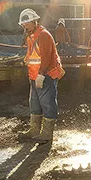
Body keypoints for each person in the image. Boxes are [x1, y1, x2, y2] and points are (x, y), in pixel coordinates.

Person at [18, 8, 65, 143]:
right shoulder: (31, 36)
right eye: (23, 24)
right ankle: (34, 130)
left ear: (34, 22)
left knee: (48, 103)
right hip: (35, 76)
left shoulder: (43, 35)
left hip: (46, 75)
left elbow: (46, 57)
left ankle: (47, 133)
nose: (24, 26)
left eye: (26, 23)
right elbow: (33, 55)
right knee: (35, 104)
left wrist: (41, 75)